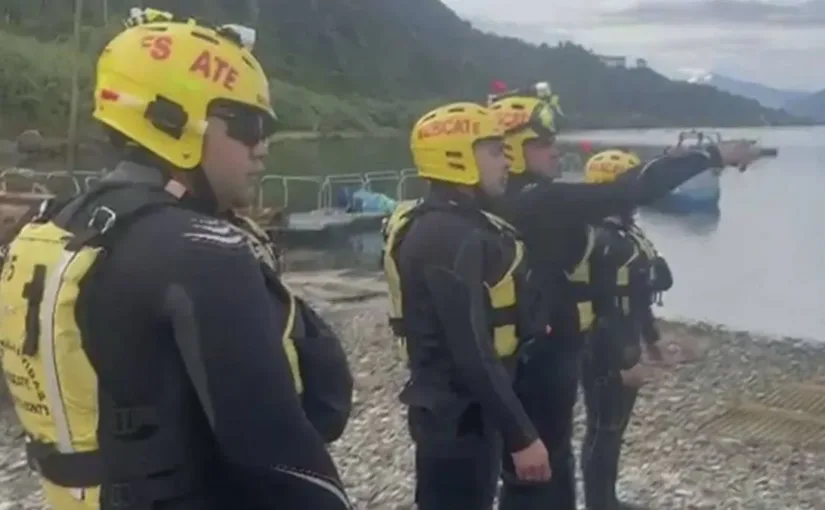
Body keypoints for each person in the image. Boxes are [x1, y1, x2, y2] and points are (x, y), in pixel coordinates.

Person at [0, 10, 352, 510]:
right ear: (174, 121)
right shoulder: (199, 252)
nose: (263, 146)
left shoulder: (59, 225)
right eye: (250, 126)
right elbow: (284, 458)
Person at [489, 88, 767, 510]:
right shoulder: (536, 200)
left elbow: (618, 190)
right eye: (542, 143)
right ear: (511, 149)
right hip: (542, 355)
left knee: (548, 463)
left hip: (539, 347)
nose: (554, 152)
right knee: (541, 471)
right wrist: (710, 156)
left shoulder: (514, 200)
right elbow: (624, 192)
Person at [381, 102, 551, 510]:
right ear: (456, 157)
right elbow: (469, 349)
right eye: (493, 151)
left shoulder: (458, 222)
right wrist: (522, 436)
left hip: (467, 413)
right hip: (456, 420)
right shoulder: (446, 236)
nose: (506, 160)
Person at [579, 150, 674, 510]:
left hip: (625, 339)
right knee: (603, 429)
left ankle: (607, 498)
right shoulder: (604, 240)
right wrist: (624, 358)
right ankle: (598, 503)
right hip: (604, 347)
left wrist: (651, 340)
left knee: (614, 429)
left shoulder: (626, 233)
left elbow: (638, 297)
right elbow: (606, 306)